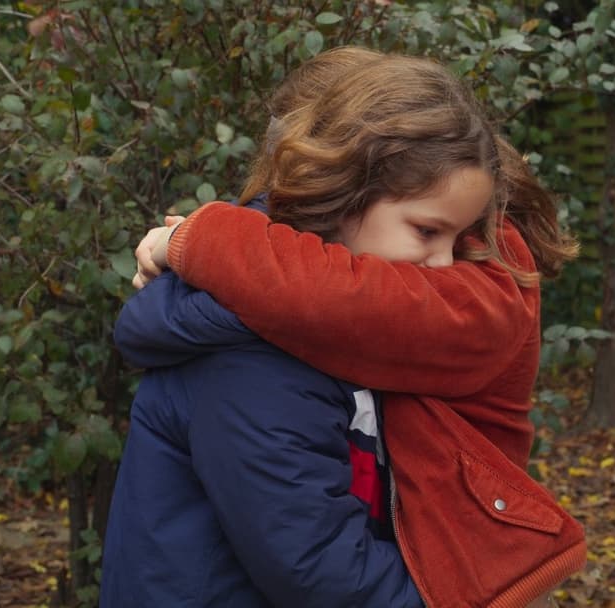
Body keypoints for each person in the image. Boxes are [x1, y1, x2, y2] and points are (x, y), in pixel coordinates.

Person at [123, 50, 585, 607]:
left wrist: (195, 239)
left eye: (455, 238)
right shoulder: (253, 354)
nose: (444, 265)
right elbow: (319, 571)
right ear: (342, 189)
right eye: (426, 232)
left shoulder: (482, 275)